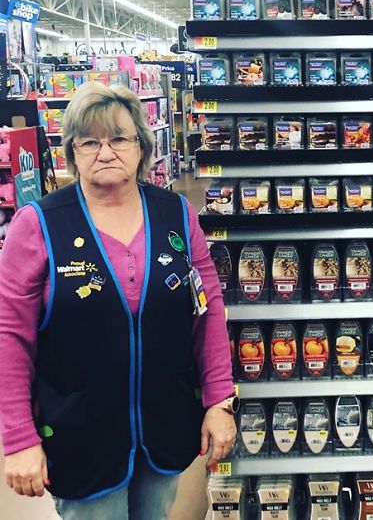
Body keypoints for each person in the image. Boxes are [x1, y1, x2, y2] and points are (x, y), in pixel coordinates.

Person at [0, 82, 237, 518]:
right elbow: (10, 337)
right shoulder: (38, 225)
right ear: (71, 152)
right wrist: (18, 438)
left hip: (162, 426)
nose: (105, 152)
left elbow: (207, 310)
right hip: (80, 436)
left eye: (119, 139)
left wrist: (219, 401)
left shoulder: (176, 214)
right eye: (89, 141)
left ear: (141, 147)